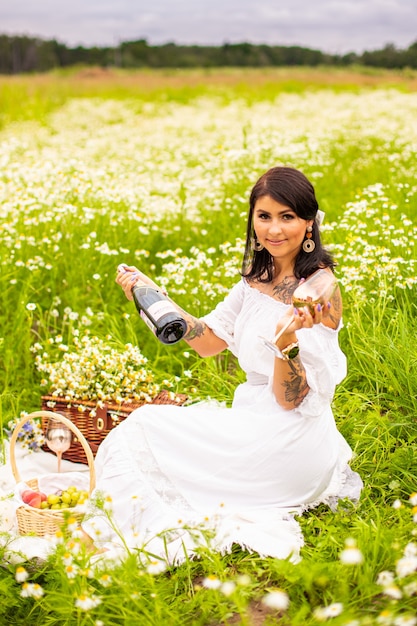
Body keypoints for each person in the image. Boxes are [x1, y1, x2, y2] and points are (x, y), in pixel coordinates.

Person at [82, 166, 362, 563]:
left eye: (288, 217)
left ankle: (108, 530)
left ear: (309, 224)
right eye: (264, 216)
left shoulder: (317, 291)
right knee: (148, 428)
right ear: (252, 219)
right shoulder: (254, 280)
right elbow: (208, 342)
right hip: (254, 420)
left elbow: (291, 400)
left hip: (292, 443)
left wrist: (287, 342)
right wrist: (152, 295)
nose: (275, 229)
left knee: (145, 426)